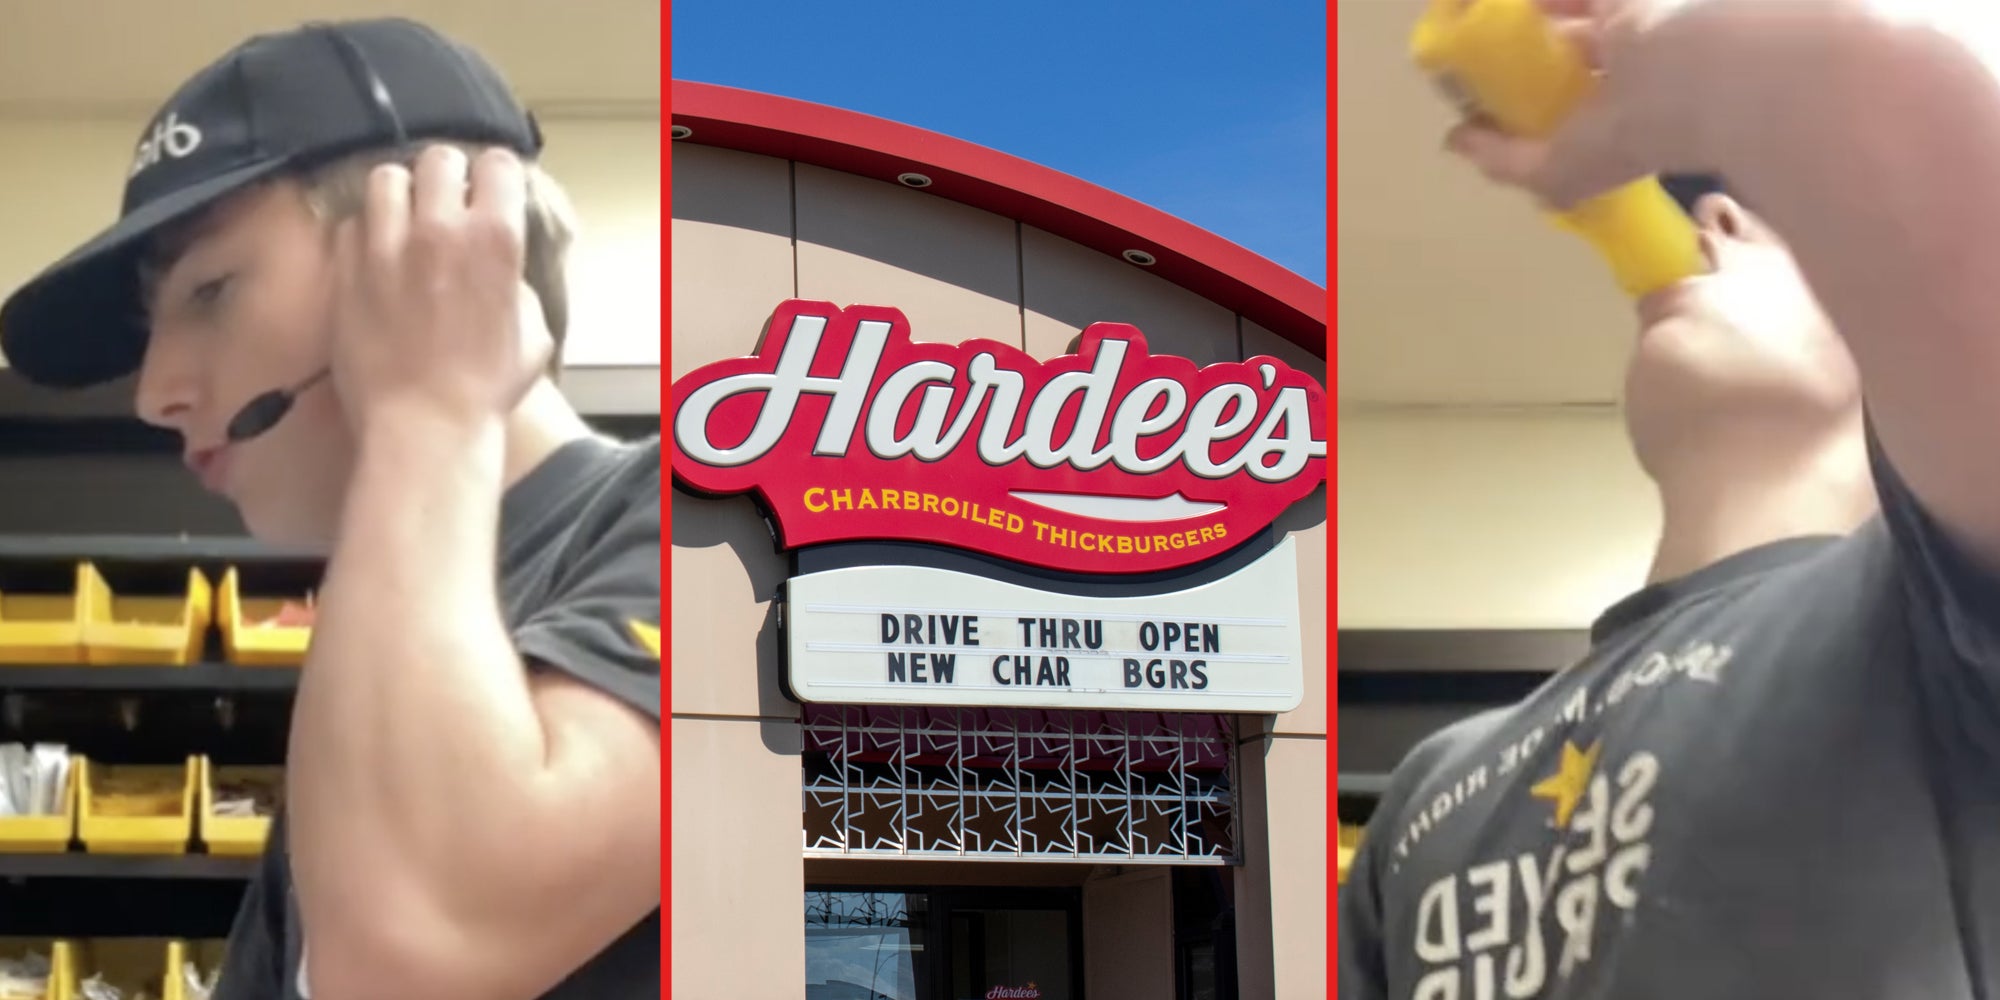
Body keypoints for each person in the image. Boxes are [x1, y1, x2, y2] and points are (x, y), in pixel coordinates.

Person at [1340, 0, 2000, 994]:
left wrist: (1689, 56)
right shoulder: (1432, 786)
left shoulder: (1947, 604)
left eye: (1763, 222)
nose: (1713, 216)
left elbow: (1907, 115)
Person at [0, 18, 660, 1000]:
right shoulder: (384, 629)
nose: (154, 391)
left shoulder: (705, 518)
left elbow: (413, 950)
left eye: (211, 289)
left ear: (446, 240)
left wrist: (425, 409)